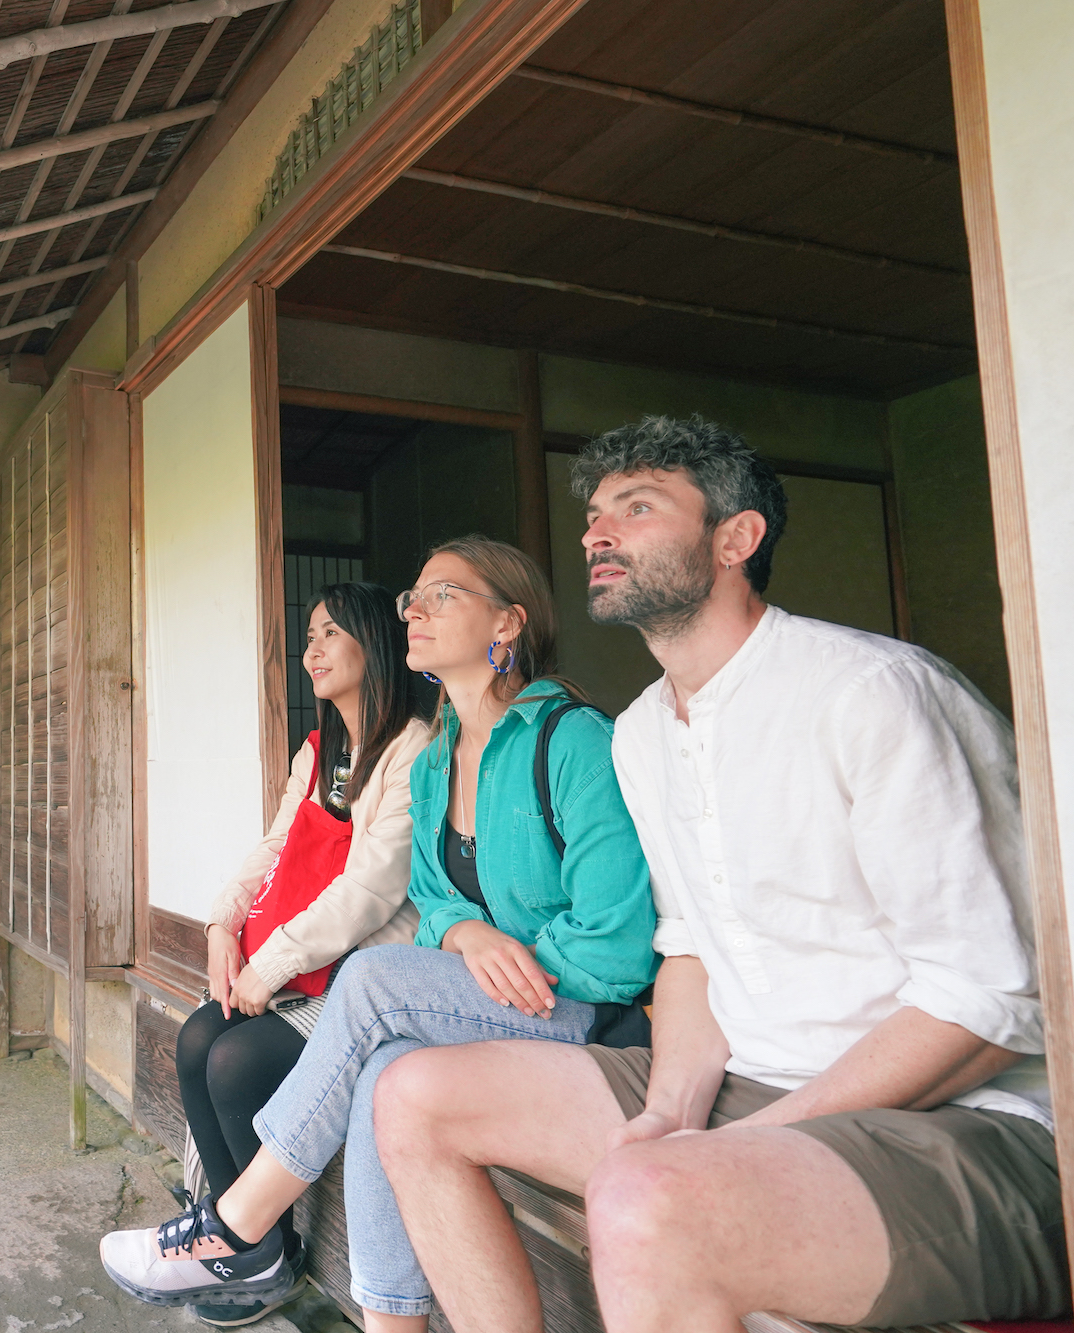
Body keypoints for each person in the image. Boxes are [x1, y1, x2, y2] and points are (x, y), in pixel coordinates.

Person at [371, 416, 1062, 1332]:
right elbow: (688, 950)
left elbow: (989, 1000)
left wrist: (745, 1140)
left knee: (649, 1200)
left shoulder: (871, 694)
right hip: (749, 1082)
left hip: (968, 1126)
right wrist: (667, 1111)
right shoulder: (646, 731)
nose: (596, 531)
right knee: (414, 1095)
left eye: (639, 506)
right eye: (595, 514)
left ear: (736, 539)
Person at [101, 539, 658, 1328]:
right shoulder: (441, 761)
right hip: (488, 1004)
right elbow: (430, 899)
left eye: (443, 595)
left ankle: (239, 1223)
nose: (415, 609)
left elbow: (617, 944)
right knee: (383, 1077)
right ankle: (390, 1322)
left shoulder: (571, 740)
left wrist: (514, 960)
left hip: (578, 1010)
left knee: (373, 978)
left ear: (508, 622)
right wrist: (466, 935)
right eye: (412, 599)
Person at [165, 580, 430, 1327]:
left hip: (360, 971)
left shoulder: (414, 748)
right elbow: (275, 847)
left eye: (329, 634)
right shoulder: (321, 752)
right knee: (195, 1039)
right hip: (299, 961)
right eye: (308, 635)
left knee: (234, 1060)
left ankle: (257, 1239)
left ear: (372, 644)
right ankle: (253, 1247)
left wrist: (269, 962)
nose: (311, 650)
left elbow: (371, 892)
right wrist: (222, 922)